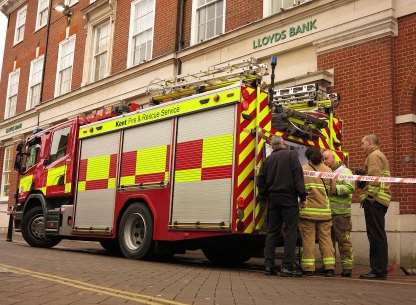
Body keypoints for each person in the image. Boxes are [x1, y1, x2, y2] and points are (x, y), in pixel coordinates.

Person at [257, 136, 306, 277]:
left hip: (273, 200)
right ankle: (287, 266)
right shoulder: (291, 155)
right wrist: (302, 196)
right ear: (283, 144)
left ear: (272, 146)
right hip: (289, 199)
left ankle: (268, 265)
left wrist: (263, 196)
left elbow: (261, 180)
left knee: (272, 232)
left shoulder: (268, 160)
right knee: (290, 231)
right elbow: (298, 176)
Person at [299, 147, 336, 277]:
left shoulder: (303, 170)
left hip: (308, 212)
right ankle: (329, 267)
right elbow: (332, 190)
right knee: (326, 240)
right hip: (325, 213)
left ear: (308, 158)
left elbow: (299, 189)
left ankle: (308, 268)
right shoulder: (328, 170)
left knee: (308, 240)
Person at [358, 134, 391, 280]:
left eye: (363, 143)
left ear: (370, 143)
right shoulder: (378, 155)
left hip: (375, 201)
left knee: (375, 236)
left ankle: (377, 269)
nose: (361, 146)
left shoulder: (374, 156)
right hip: (380, 200)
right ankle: (379, 269)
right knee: (378, 235)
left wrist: (369, 197)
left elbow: (375, 179)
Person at [323, 150, 355, 277]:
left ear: (333, 158)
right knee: (328, 242)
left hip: (341, 213)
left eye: (326, 158)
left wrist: (335, 189)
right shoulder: (326, 172)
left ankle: (347, 267)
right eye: (323, 159)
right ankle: (330, 267)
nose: (324, 161)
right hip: (329, 212)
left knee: (344, 241)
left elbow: (350, 187)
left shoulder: (344, 171)